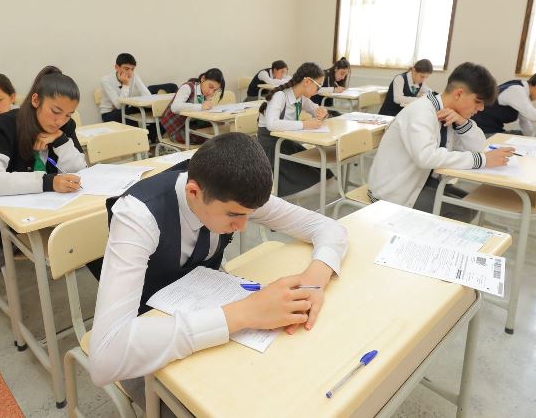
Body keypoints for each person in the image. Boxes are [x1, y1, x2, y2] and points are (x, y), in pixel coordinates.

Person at [88, 133, 348, 407]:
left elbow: (329, 228)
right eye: (234, 216)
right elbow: (105, 358)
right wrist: (245, 312)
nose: (244, 226)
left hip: (210, 320)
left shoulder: (233, 194)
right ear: (193, 193)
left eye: (249, 214)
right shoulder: (138, 215)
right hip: (149, 346)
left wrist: (313, 282)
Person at [0, 66, 87, 270]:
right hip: (5, 219)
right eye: (55, 112)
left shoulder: (64, 127)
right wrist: (47, 182)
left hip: (50, 211)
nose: (60, 121)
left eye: (68, 115)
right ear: (35, 100)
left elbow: (80, 169)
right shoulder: (4, 124)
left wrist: (60, 140)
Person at [367, 62, 514, 221]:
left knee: (472, 205)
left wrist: (462, 122)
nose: (481, 109)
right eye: (478, 102)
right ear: (458, 94)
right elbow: (426, 157)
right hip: (395, 191)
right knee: (462, 211)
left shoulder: (449, 113)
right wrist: (482, 160)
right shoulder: (421, 111)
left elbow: (478, 147)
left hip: (422, 181)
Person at [257, 62, 333, 198]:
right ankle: (282, 200)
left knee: (325, 174)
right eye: (318, 86)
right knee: (315, 181)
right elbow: (271, 124)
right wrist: (304, 124)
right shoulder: (281, 96)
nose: (319, 90)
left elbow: (316, 109)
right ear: (307, 82)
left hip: (286, 142)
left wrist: (323, 112)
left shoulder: (301, 97)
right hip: (271, 147)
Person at [471, 71, 536, 137]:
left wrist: (532, 139)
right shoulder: (517, 90)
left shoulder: (521, 90)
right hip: (482, 132)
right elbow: (534, 116)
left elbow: (525, 122)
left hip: (490, 130)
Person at [160, 68, 225, 144]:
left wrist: (208, 100)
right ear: (203, 79)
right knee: (214, 139)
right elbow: (175, 107)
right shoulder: (187, 87)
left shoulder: (204, 93)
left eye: (215, 90)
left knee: (220, 130)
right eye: (210, 87)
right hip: (176, 130)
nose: (211, 92)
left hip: (191, 126)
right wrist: (201, 106)